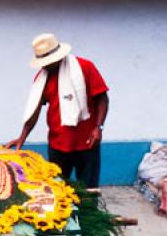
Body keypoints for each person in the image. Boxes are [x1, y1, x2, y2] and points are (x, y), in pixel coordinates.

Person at [6, 33, 109, 188]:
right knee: (59, 191)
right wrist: (22, 137)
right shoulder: (41, 80)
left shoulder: (84, 67)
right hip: (58, 145)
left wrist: (98, 127)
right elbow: (34, 110)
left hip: (87, 143)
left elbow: (102, 98)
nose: (45, 65)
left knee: (89, 191)